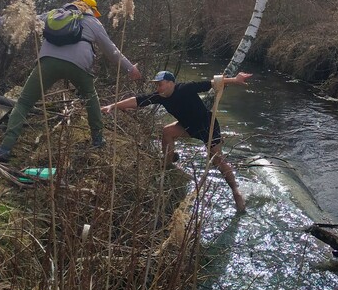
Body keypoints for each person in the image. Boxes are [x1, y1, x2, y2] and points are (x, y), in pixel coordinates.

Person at [0, 0, 142, 161]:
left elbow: (25, 21)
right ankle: (98, 140)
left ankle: (5, 148)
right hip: (79, 65)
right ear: (90, 9)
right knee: (90, 97)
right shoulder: (93, 23)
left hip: (48, 62)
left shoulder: (53, 15)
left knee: (24, 102)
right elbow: (112, 50)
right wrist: (130, 69)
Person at [102, 70, 252, 213]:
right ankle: (167, 163)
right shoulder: (160, 96)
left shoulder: (185, 88)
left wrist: (235, 80)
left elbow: (214, 82)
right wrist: (113, 106)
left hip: (208, 127)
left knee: (217, 161)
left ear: (171, 83)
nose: (158, 87)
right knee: (167, 131)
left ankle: (236, 192)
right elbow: (138, 101)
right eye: (157, 85)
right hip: (187, 127)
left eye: (160, 84)